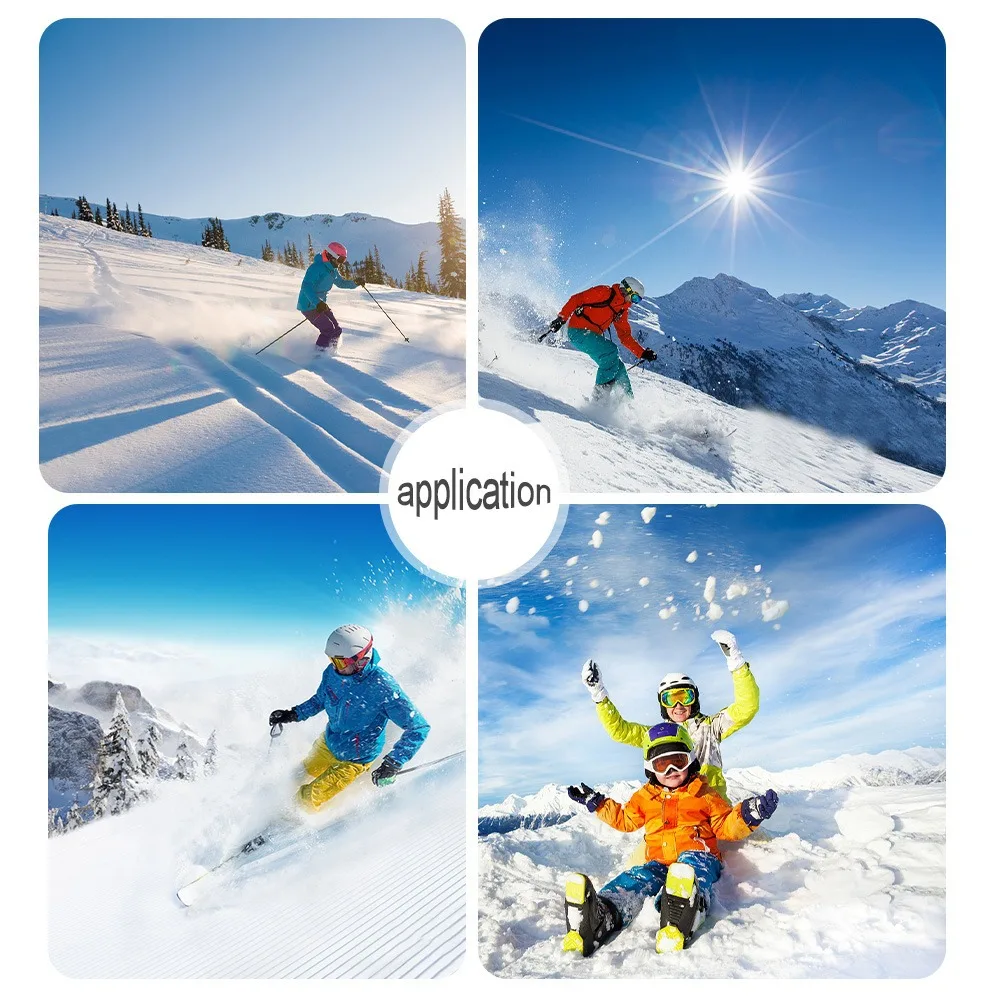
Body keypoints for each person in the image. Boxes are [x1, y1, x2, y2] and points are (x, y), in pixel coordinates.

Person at [562, 721, 779, 956]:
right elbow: (625, 820)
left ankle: (683, 909)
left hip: (700, 859)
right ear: (651, 768)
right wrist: (599, 804)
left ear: (690, 760)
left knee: (690, 866)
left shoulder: (704, 794)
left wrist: (748, 815)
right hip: (659, 862)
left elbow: (725, 826)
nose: (671, 771)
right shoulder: (645, 797)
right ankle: (602, 914)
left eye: (678, 761)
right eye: (662, 764)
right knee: (638, 877)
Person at [581, 629, 758, 803]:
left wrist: (736, 662)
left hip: (713, 809)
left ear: (694, 700)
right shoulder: (658, 736)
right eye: (670, 699)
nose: (678, 705)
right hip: (679, 812)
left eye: (685, 697)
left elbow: (746, 707)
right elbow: (620, 731)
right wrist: (599, 695)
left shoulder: (711, 727)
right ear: (663, 704)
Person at [268, 624, 429, 811]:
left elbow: (419, 727)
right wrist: (293, 714)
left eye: (340, 662)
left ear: (361, 660)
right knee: (296, 776)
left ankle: (280, 829)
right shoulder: (332, 673)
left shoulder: (382, 686)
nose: (335, 667)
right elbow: (320, 699)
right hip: (329, 743)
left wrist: (394, 763)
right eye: (332, 660)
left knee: (308, 797)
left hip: (354, 759)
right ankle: (270, 810)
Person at [545, 276, 657, 400]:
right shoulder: (604, 292)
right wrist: (562, 318)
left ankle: (627, 403)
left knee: (618, 366)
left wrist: (642, 353)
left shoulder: (621, 310)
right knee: (610, 352)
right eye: (635, 298)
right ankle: (599, 400)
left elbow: (624, 336)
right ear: (628, 290)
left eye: (637, 300)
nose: (634, 303)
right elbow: (577, 299)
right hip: (577, 332)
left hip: (591, 336)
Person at [296, 241, 360, 352]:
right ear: (331, 256)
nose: (341, 263)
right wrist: (317, 303)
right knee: (328, 329)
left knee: (337, 330)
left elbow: (341, 283)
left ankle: (332, 351)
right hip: (308, 306)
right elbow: (306, 287)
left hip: (320, 304)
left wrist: (355, 283)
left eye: (343, 260)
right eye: (340, 259)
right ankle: (319, 355)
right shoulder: (316, 268)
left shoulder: (332, 269)